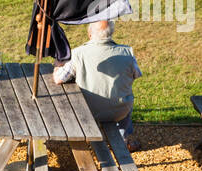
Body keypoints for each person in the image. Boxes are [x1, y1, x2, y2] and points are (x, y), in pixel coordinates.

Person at [52, 18, 143, 152]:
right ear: (111, 33)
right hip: (120, 110)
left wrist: (57, 66)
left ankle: (87, 141)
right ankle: (123, 141)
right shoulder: (127, 52)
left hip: (89, 111)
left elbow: (59, 79)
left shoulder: (79, 53)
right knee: (126, 99)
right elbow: (136, 74)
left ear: (90, 34)